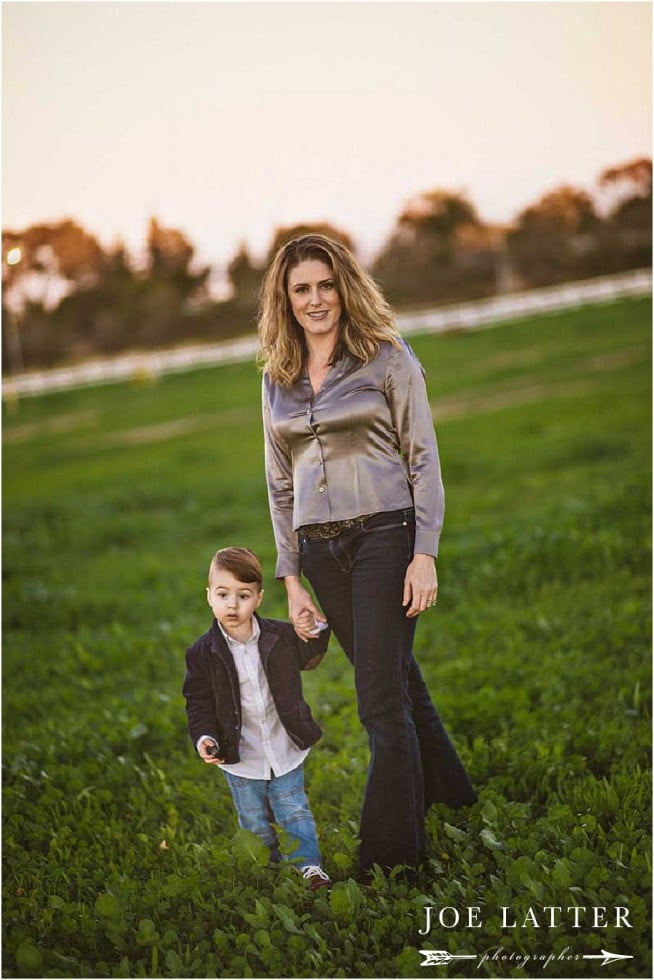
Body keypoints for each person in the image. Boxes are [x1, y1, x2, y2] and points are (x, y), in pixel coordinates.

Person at [257, 234, 476, 880]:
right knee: (397, 676)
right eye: (302, 289)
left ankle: (392, 859)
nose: (316, 299)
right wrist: (291, 577)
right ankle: (451, 792)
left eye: (326, 285)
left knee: (378, 698)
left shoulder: (386, 357)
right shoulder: (275, 379)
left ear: (344, 286)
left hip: (386, 535)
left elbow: (423, 458)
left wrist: (425, 553)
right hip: (322, 554)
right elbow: (279, 482)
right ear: (286, 299)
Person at [182, 546, 332, 890]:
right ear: (209, 597)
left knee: (294, 810)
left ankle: (308, 867)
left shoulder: (279, 637)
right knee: (254, 821)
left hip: (284, 745)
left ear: (259, 598)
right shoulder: (202, 654)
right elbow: (198, 701)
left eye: (243, 595)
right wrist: (205, 736)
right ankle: (266, 870)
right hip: (239, 755)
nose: (232, 605)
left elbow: (311, 654)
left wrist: (315, 625)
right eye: (223, 594)